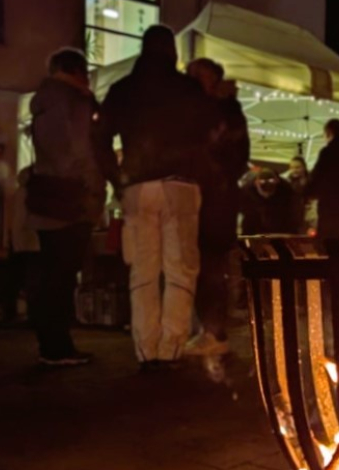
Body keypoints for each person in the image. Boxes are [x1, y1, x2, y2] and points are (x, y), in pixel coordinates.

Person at [96, 26, 217, 371]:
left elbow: (98, 138)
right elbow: (210, 137)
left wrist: (116, 179)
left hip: (137, 187)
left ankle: (147, 350)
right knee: (180, 272)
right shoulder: (188, 89)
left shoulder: (122, 90)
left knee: (143, 273)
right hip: (181, 185)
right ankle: (171, 347)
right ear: (172, 52)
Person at [26, 48, 108, 366]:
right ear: (76, 70)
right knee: (61, 277)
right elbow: (79, 150)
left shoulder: (44, 101)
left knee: (51, 275)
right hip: (71, 201)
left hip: (47, 200)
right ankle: (58, 346)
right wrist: (94, 189)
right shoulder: (72, 101)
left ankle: (51, 343)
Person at [185, 58, 250, 357]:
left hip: (215, 199)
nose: (193, 79)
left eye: (199, 75)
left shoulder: (223, 110)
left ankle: (214, 332)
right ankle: (209, 330)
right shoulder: (219, 108)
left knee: (210, 267)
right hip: (210, 196)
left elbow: (233, 156)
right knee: (203, 267)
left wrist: (213, 179)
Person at [0, 166, 41, 323]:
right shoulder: (32, 194)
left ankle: (10, 311)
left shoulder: (19, 193)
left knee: (17, 278)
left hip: (19, 240)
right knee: (32, 279)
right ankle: (33, 313)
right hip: (31, 241)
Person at [240, 168, 299, 236]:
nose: (267, 195)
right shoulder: (246, 191)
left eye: (270, 192)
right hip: (254, 220)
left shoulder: (286, 190)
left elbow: (293, 213)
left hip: (279, 219)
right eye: (263, 192)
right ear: (256, 184)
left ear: (277, 182)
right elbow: (244, 212)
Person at [284, 156, 312, 234]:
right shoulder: (287, 183)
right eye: (292, 168)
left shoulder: (311, 182)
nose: (294, 170)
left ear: (304, 167)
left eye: (297, 167)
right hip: (291, 220)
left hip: (308, 219)